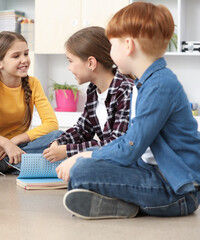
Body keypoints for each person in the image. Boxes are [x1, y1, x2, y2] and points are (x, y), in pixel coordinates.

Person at [57, 2, 200, 219]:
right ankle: (120, 203)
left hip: (177, 190)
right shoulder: (144, 83)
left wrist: (84, 155)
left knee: (81, 170)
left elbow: (130, 148)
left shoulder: (159, 85)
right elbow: (129, 143)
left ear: (128, 45)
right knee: (84, 169)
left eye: (111, 45)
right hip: (152, 172)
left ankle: (119, 201)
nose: (110, 52)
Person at [0, 31, 62, 173]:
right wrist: (4, 143)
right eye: (16, 56)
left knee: (58, 136)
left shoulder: (33, 83)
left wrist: (13, 142)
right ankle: (18, 164)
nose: (24, 60)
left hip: (21, 145)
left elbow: (52, 124)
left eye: (26, 54)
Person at [43, 27, 134, 163]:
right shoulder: (93, 90)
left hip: (123, 160)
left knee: (81, 164)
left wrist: (67, 151)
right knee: (55, 136)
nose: (69, 68)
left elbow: (116, 144)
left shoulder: (125, 90)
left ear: (91, 63)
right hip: (107, 157)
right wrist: (59, 143)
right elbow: (82, 129)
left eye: (70, 61)